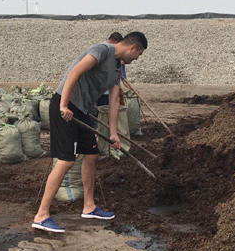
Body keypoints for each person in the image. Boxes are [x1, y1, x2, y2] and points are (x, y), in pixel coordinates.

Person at [32, 32, 148, 233]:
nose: (137, 58)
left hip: (83, 110)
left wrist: (113, 133)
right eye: (139, 54)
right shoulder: (101, 51)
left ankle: (89, 206)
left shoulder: (118, 67)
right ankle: (41, 216)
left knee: (92, 155)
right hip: (65, 106)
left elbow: (114, 100)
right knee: (66, 161)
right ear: (132, 48)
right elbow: (74, 73)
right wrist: (63, 105)